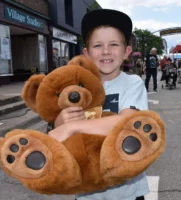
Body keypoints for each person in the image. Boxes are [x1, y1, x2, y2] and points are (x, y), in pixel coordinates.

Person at [48, 9, 149, 200]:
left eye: (114, 44)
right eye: (97, 45)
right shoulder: (76, 89)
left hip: (126, 191)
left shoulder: (132, 83)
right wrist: (60, 122)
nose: (106, 51)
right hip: (87, 191)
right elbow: (62, 135)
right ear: (86, 53)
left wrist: (73, 126)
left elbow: (127, 122)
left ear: (126, 51)